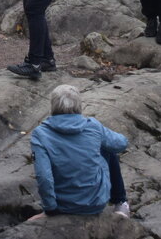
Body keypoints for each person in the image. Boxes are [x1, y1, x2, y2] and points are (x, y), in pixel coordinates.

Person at [28, 84, 130, 220]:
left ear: (52, 105)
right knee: (108, 148)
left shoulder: (40, 134)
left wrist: (50, 209)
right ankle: (120, 202)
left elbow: (44, 176)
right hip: (96, 203)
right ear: (79, 105)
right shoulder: (93, 126)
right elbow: (121, 143)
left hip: (62, 206)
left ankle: (57, 202)